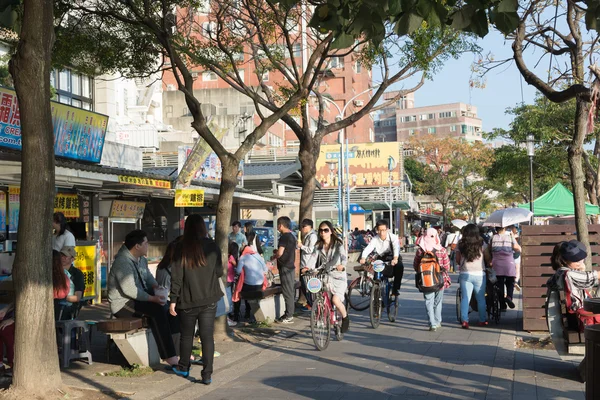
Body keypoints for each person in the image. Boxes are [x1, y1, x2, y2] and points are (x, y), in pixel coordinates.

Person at [108, 230, 178, 367]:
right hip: (123, 304)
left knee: (171, 309)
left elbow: (148, 278)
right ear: (137, 246)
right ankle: (169, 356)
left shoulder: (141, 260)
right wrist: (153, 299)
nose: (148, 245)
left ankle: (178, 351)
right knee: (157, 311)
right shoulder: (122, 262)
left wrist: (158, 289)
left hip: (139, 300)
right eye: (146, 242)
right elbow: (130, 290)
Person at [169, 214, 222, 384]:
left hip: (187, 299)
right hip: (209, 299)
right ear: (203, 227)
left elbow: (176, 277)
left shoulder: (180, 247)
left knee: (187, 335)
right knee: (207, 337)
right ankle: (207, 375)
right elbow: (219, 272)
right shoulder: (213, 246)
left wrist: (173, 300)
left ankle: (184, 367)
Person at [547, 240, 600, 330]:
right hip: (581, 319)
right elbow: (596, 276)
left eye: (580, 258)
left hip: (577, 317)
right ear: (563, 260)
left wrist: (582, 270)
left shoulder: (560, 273)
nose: (579, 261)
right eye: (575, 259)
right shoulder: (568, 274)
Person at [309, 221, 350, 332]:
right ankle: (322, 317)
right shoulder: (318, 245)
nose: (323, 232)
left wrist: (342, 265)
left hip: (338, 277)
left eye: (326, 230)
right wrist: (308, 268)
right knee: (320, 296)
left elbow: (343, 257)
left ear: (331, 231)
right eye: (321, 230)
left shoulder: (338, 244)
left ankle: (345, 318)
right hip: (325, 275)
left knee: (336, 300)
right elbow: (313, 258)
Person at [413, 228, 451, 331]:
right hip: (440, 280)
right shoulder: (441, 249)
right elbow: (447, 266)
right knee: (438, 302)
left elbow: (416, 265)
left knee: (429, 301)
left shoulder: (420, 250)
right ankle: (438, 321)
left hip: (426, 280)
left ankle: (432, 323)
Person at [456, 224, 491, 329]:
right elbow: (488, 258)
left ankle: (465, 321)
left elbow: (457, 259)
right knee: (481, 298)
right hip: (480, 274)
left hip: (465, 273)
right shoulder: (482, 243)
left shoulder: (461, 244)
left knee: (465, 298)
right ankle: (482, 320)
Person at [359, 220, 404, 296]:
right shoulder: (375, 239)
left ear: (387, 229)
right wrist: (363, 257)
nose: (381, 233)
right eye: (379, 230)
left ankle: (395, 289)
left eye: (383, 230)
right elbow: (368, 248)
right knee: (376, 274)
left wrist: (395, 258)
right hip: (382, 257)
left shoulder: (393, 237)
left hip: (393, 257)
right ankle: (376, 293)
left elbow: (396, 247)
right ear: (377, 230)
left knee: (399, 267)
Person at [233, 235, 268, 324]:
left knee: (239, 291)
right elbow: (266, 270)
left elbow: (238, 271)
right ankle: (248, 313)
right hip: (259, 285)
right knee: (250, 293)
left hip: (249, 285)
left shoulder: (243, 257)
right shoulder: (258, 256)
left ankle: (238, 315)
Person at [487, 226, 521, 311]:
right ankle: (509, 297)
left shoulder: (493, 237)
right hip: (508, 263)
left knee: (499, 284)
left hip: (497, 264)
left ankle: (502, 304)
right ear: (504, 229)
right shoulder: (509, 237)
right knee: (510, 282)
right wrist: (513, 238)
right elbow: (517, 248)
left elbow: (489, 248)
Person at [270, 216, 296, 324]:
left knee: (287, 291)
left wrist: (273, 257)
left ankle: (288, 315)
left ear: (281, 225)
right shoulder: (292, 236)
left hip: (285, 267)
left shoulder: (284, 237)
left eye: (277, 225)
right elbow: (286, 250)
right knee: (290, 290)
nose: (277, 228)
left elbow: (280, 253)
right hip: (290, 266)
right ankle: (289, 313)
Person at [298, 219, 318, 311]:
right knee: (304, 286)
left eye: (304, 226)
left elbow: (311, 250)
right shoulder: (308, 235)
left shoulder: (312, 236)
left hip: (308, 265)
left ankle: (312, 304)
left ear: (309, 226)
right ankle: (310, 303)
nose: (302, 228)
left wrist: (301, 246)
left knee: (308, 286)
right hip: (305, 264)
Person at [60, 246, 85, 319]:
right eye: (61, 255)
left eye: (66, 256)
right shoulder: (54, 271)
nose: (63, 258)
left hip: (68, 306)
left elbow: (77, 297)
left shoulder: (77, 274)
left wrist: (61, 297)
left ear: (72, 259)